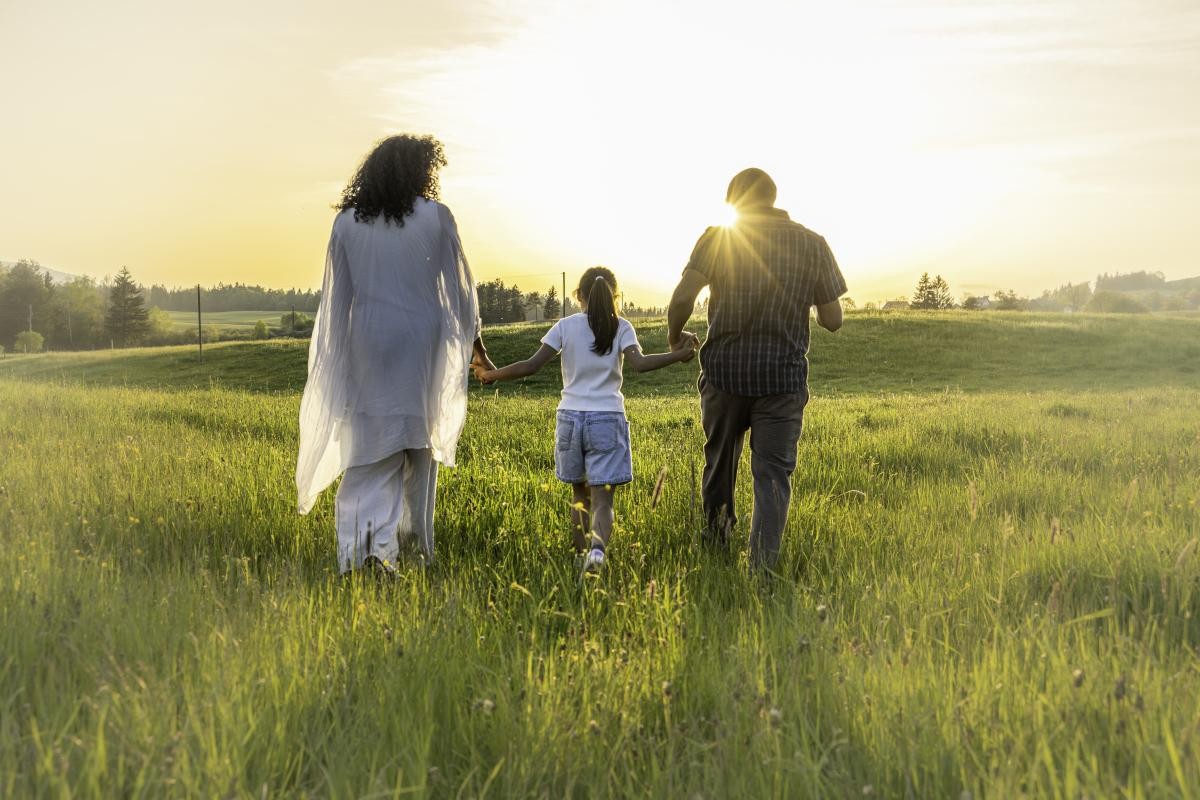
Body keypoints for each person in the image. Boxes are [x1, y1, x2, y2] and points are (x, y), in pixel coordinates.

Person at [296, 134, 495, 575]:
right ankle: (412, 549)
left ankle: (365, 552)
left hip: (368, 341)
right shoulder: (437, 217)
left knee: (370, 450)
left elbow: (336, 302)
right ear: (420, 171)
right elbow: (461, 295)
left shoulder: (346, 223)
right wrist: (476, 347)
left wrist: (337, 362)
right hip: (422, 344)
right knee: (418, 449)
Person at [666, 168, 847, 571]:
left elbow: (682, 298)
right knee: (772, 476)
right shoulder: (813, 244)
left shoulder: (718, 237)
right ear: (773, 198)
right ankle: (762, 571)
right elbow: (833, 319)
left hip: (725, 375)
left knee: (720, 465)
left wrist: (674, 336)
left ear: (733, 201)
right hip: (782, 380)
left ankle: (716, 552)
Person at [474, 267, 697, 576]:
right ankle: (597, 553)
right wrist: (679, 355)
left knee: (580, 497)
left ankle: (580, 561)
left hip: (570, 420)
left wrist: (491, 375)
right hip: (606, 419)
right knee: (603, 501)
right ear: (614, 296)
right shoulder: (622, 327)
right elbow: (641, 364)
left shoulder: (565, 327)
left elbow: (531, 366)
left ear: (579, 295)